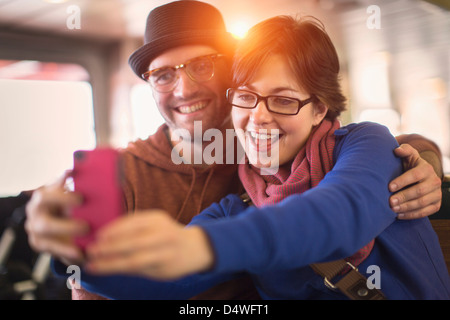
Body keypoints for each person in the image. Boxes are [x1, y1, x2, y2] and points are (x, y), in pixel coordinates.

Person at [25, 1, 444, 300]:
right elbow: (148, 281)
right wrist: (70, 249)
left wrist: (428, 157)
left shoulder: (364, 144)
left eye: (283, 100)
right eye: (247, 97)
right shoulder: (238, 205)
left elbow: (336, 216)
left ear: (319, 108)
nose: (258, 118)